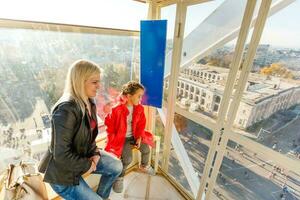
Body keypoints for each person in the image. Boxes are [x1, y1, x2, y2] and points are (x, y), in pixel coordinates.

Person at [38, 59, 122, 200]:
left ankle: (102, 196)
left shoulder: (89, 101)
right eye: (94, 82)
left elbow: (89, 136)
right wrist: (89, 164)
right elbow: (61, 155)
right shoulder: (66, 110)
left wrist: (95, 153)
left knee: (117, 166)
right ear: (80, 81)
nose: (99, 86)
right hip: (62, 174)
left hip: (82, 156)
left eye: (99, 81)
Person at [104, 81, 155, 193]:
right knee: (127, 159)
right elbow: (109, 127)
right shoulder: (116, 110)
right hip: (122, 139)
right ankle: (120, 178)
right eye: (139, 96)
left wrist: (139, 138)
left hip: (135, 136)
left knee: (146, 149)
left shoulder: (139, 108)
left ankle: (144, 166)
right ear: (129, 96)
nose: (140, 99)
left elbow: (142, 124)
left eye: (141, 96)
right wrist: (113, 142)